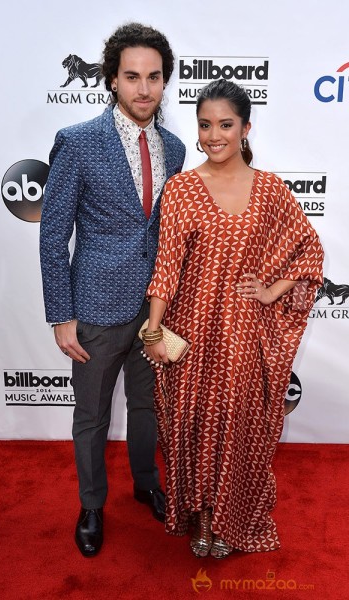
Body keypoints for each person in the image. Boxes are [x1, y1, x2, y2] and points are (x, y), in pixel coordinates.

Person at [143, 79, 323, 559]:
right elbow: (166, 265)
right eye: (204, 125)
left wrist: (270, 290)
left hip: (244, 331)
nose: (213, 135)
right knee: (193, 424)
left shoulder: (270, 190)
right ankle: (200, 518)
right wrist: (154, 329)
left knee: (235, 425)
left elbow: (309, 252)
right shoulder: (180, 189)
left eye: (225, 124)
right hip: (191, 326)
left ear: (245, 128)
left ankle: (229, 520)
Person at [40, 22, 186, 558]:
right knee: (93, 416)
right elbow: (53, 235)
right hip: (96, 308)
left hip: (155, 307)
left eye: (153, 77)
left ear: (165, 81)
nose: (144, 89)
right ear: (112, 79)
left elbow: (167, 230)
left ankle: (146, 482)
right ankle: (92, 504)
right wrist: (62, 313)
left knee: (148, 408)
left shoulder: (174, 145)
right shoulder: (77, 142)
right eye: (132, 77)